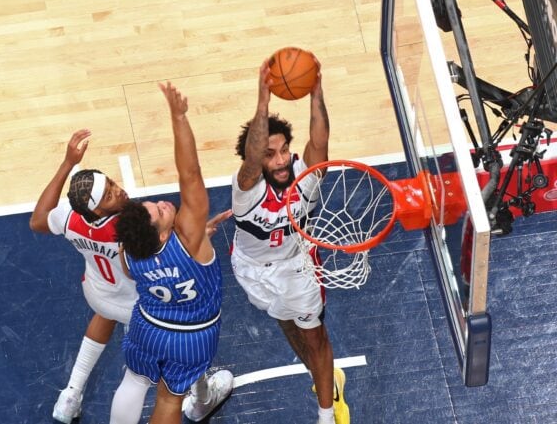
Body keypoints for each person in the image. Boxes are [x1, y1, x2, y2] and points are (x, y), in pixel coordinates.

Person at [229, 59, 350, 424]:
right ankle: (323, 377)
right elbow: (253, 157)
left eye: (283, 150)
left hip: (298, 268)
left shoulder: (305, 174)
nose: (281, 160)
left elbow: (320, 140)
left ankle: (327, 412)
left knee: (316, 339)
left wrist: (316, 92)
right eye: (270, 154)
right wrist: (262, 101)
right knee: (284, 321)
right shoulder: (246, 190)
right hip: (252, 270)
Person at [109, 82, 233, 424]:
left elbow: (148, 257)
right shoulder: (188, 237)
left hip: (147, 326)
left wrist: (198, 238)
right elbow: (190, 173)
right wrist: (179, 116)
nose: (163, 204)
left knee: (134, 380)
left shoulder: (129, 253)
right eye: (159, 212)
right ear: (163, 233)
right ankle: (200, 402)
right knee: (168, 399)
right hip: (192, 337)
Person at [29, 129, 137, 423]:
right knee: (180, 336)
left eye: (111, 183)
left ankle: (71, 395)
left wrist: (67, 163)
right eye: (109, 196)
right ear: (98, 210)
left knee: (105, 315)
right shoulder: (132, 225)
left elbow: (38, 221)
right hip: (135, 304)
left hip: (99, 293)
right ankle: (200, 394)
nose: (118, 191)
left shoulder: (69, 216)